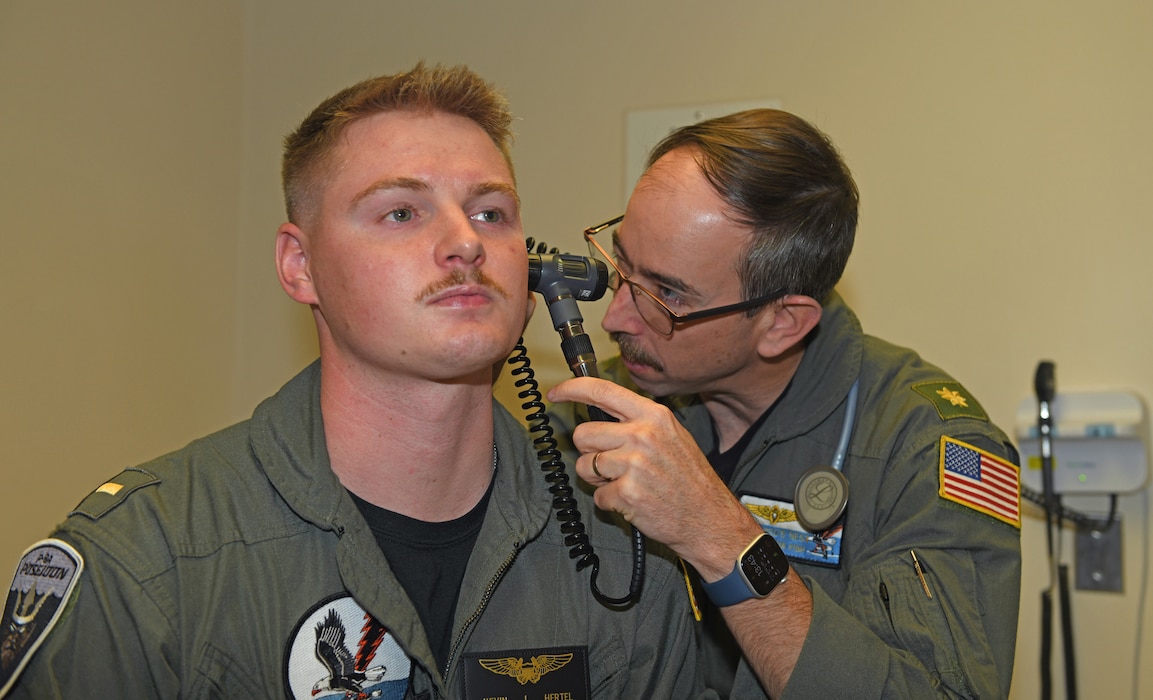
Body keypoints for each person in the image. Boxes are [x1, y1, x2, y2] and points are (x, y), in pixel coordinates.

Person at [0, 63, 707, 700]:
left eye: (491, 212)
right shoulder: (150, 562)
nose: (466, 241)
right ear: (299, 266)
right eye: (401, 211)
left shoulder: (620, 554)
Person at [546, 109, 1022, 698]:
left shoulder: (928, 448)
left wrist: (720, 536)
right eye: (620, 266)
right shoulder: (597, 413)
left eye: (666, 295)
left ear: (782, 324)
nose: (615, 318)